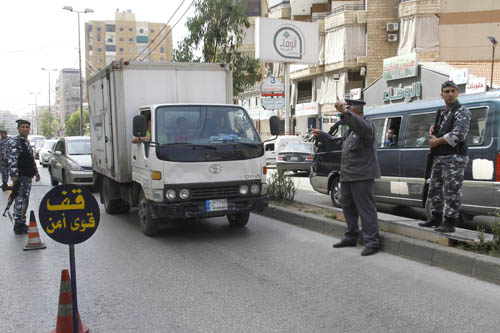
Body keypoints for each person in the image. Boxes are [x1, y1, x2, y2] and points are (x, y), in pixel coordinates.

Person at [311, 98, 381, 256]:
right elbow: (340, 143)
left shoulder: (366, 126)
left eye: (348, 111)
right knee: (348, 207)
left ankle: (372, 241)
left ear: (354, 112)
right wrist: (322, 135)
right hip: (348, 175)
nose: (344, 116)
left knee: (366, 209)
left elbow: (360, 126)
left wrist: (345, 112)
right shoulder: (351, 131)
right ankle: (351, 236)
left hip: (362, 176)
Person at [418, 81, 471, 233]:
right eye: (447, 91)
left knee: (451, 191)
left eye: (453, 91)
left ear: (457, 93)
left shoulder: (462, 111)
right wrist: (434, 132)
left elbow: (459, 134)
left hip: (454, 158)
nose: (450, 94)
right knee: (434, 189)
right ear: (442, 95)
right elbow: (444, 131)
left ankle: (449, 222)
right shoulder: (443, 113)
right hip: (440, 158)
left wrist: (437, 141)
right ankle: (436, 218)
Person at [8, 120, 40, 234]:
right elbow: (13, 159)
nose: (25, 129)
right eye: (23, 127)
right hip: (20, 177)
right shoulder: (15, 142)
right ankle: (18, 224)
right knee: (20, 200)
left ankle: (21, 222)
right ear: (18, 129)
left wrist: (36, 172)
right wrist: (14, 175)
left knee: (24, 200)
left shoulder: (25, 142)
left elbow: (31, 159)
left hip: (27, 176)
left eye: (27, 127)